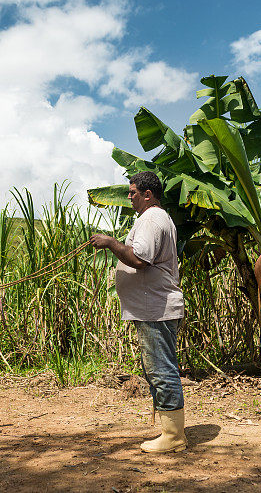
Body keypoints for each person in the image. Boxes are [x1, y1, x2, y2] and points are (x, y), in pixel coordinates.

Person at [89, 171, 187, 453]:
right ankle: (171, 431)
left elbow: (140, 259)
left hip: (155, 308)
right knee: (158, 367)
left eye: (132, 192)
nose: (129, 197)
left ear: (147, 194)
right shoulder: (154, 219)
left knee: (161, 369)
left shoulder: (152, 219)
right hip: (153, 307)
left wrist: (110, 242)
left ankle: (174, 437)